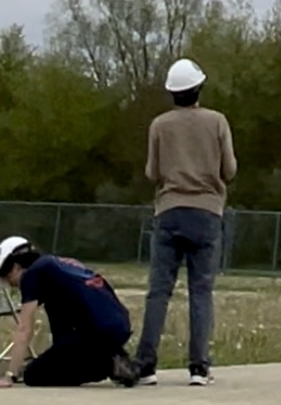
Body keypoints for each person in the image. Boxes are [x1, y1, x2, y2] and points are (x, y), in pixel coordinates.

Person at [132, 56, 237, 388]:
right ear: (199, 88)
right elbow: (230, 170)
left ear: (171, 93)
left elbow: (152, 172)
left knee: (158, 291)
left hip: (169, 211)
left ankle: (146, 365)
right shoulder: (217, 122)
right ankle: (198, 368)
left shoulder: (159, 125)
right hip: (207, 212)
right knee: (201, 291)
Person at [0, 237, 137, 387]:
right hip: (118, 324)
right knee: (55, 355)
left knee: (33, 375)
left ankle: (108, 365)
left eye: (6, 275)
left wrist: (10, 375)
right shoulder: (58, 265)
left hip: (98, 331)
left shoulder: (32, 274)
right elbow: (61, 326)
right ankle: (113, 354)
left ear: (16, 266)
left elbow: (24, 329)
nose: (9, 283)